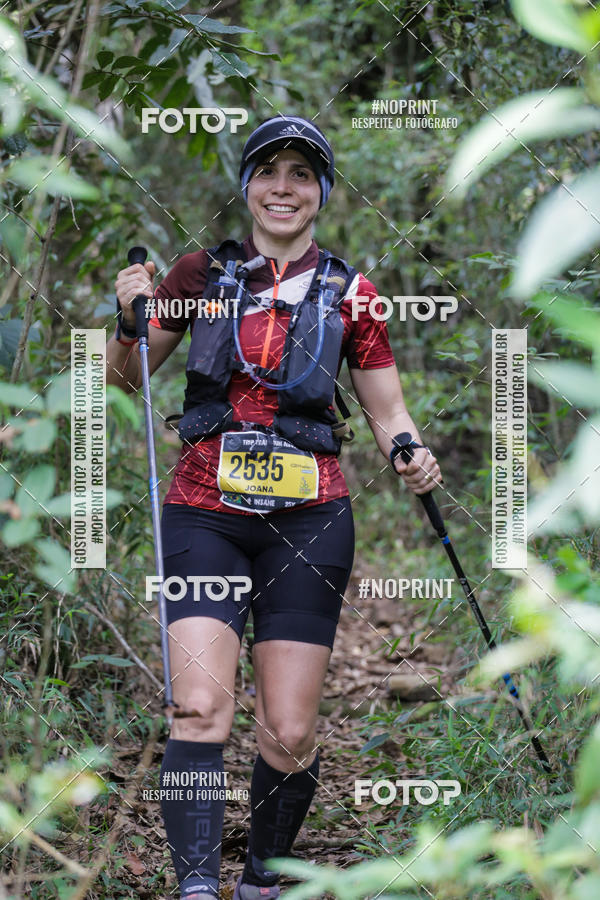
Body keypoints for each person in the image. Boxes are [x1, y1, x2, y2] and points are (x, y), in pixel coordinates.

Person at [106, 115, 441, 900]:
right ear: (248, 185)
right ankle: (195, 886)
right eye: (269, 172)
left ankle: (260, 879)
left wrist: (410, 453)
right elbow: (123, 379)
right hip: (204, 507)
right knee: (196, 707)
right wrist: (128, 318)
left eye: (300, 174)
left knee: (289, 731)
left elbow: (389, 411)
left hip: (309, 518)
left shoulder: (352, 293)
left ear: (320, 191)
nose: (282, 188)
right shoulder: (199, 274)